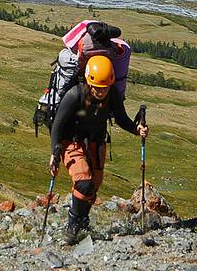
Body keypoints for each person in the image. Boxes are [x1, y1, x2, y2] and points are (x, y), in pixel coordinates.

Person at [48, 55, 148, 244]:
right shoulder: (75, 95)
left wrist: (137, 130)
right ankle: (73, 225)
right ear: (88, 81)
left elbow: (121, 119)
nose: (101, 91)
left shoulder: (113, 96)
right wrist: (54, 153)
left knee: (93, 187)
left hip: (96, 143)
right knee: (83, 182)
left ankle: (83, 221)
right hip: (72, 142)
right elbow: (58, 125)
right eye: (97, 87)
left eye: (105, 87)